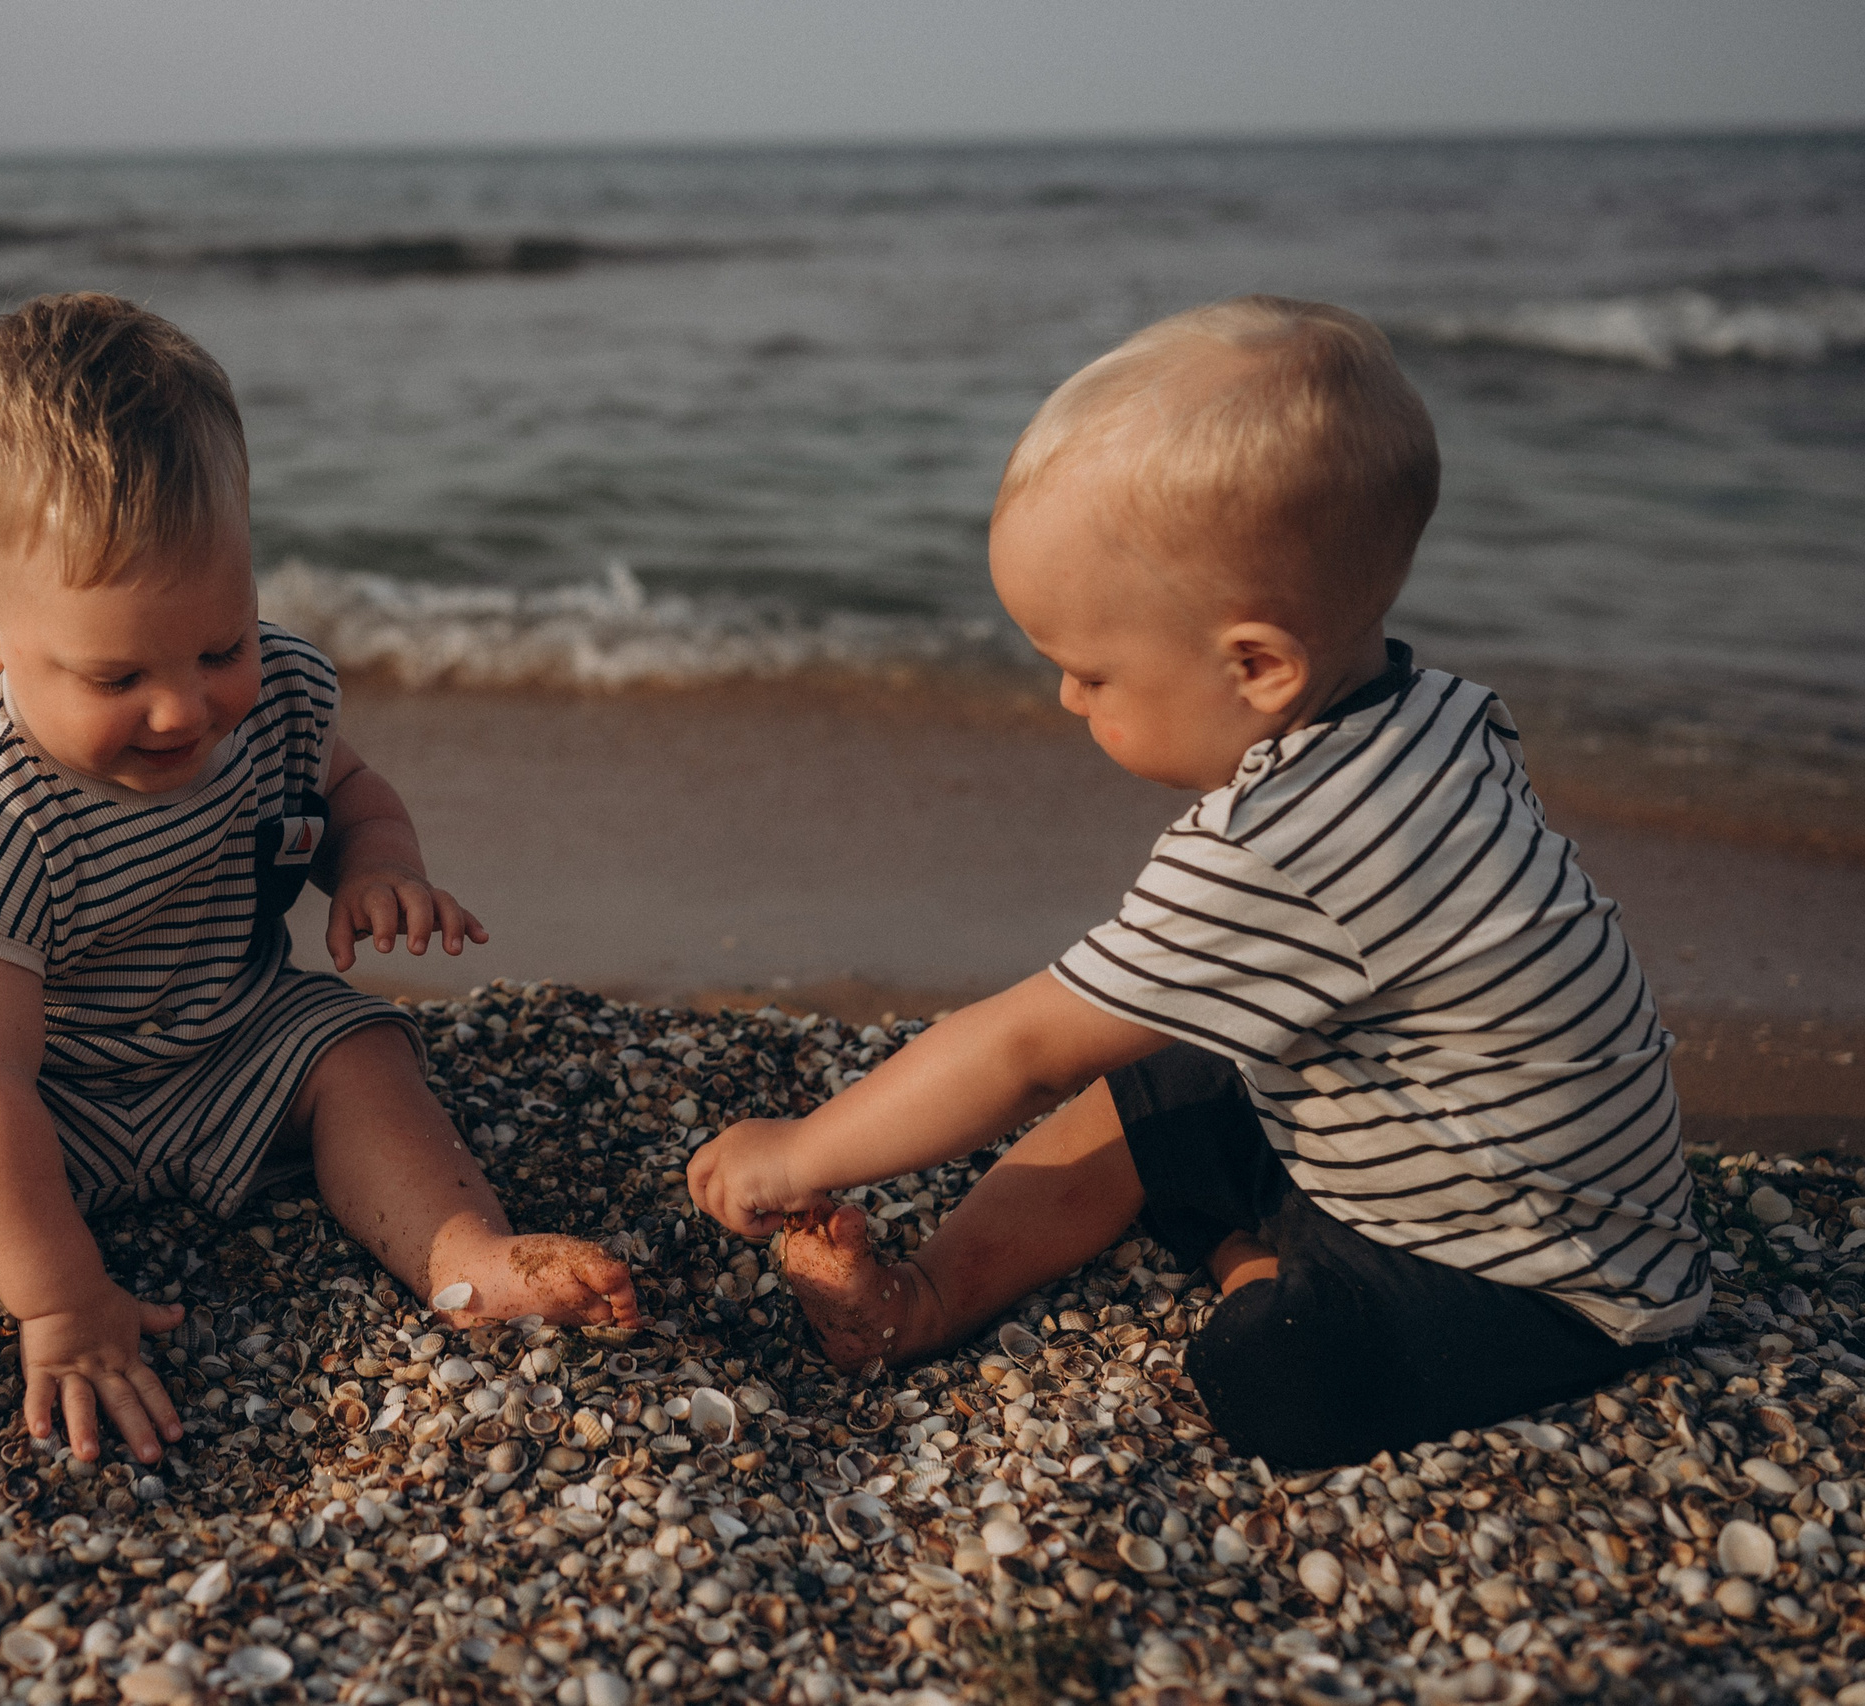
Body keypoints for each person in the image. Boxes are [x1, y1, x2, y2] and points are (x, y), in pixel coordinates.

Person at [689, 296, 1706, 1469]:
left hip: (1533, 1270)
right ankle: (923, 1298)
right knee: (1147, 1083)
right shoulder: (1430, 709)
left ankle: (1257, 1258)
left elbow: (1023, 1045)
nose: (1068, 699)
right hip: (1418, 1133)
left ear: (1258, 665)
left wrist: (805, 1148)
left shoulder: (1284, 840)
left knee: (1270, 1373)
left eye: (1089, 671)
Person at [0, 293, 638, 1521]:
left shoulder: (275, 689)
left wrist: (378, 860)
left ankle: (465, 1257)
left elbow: (349, 787)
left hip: (206, 1029)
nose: (184, 709)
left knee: (356, 1043)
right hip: (2, 1073)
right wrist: (60, 1296)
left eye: (215, 643)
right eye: (118, 674)